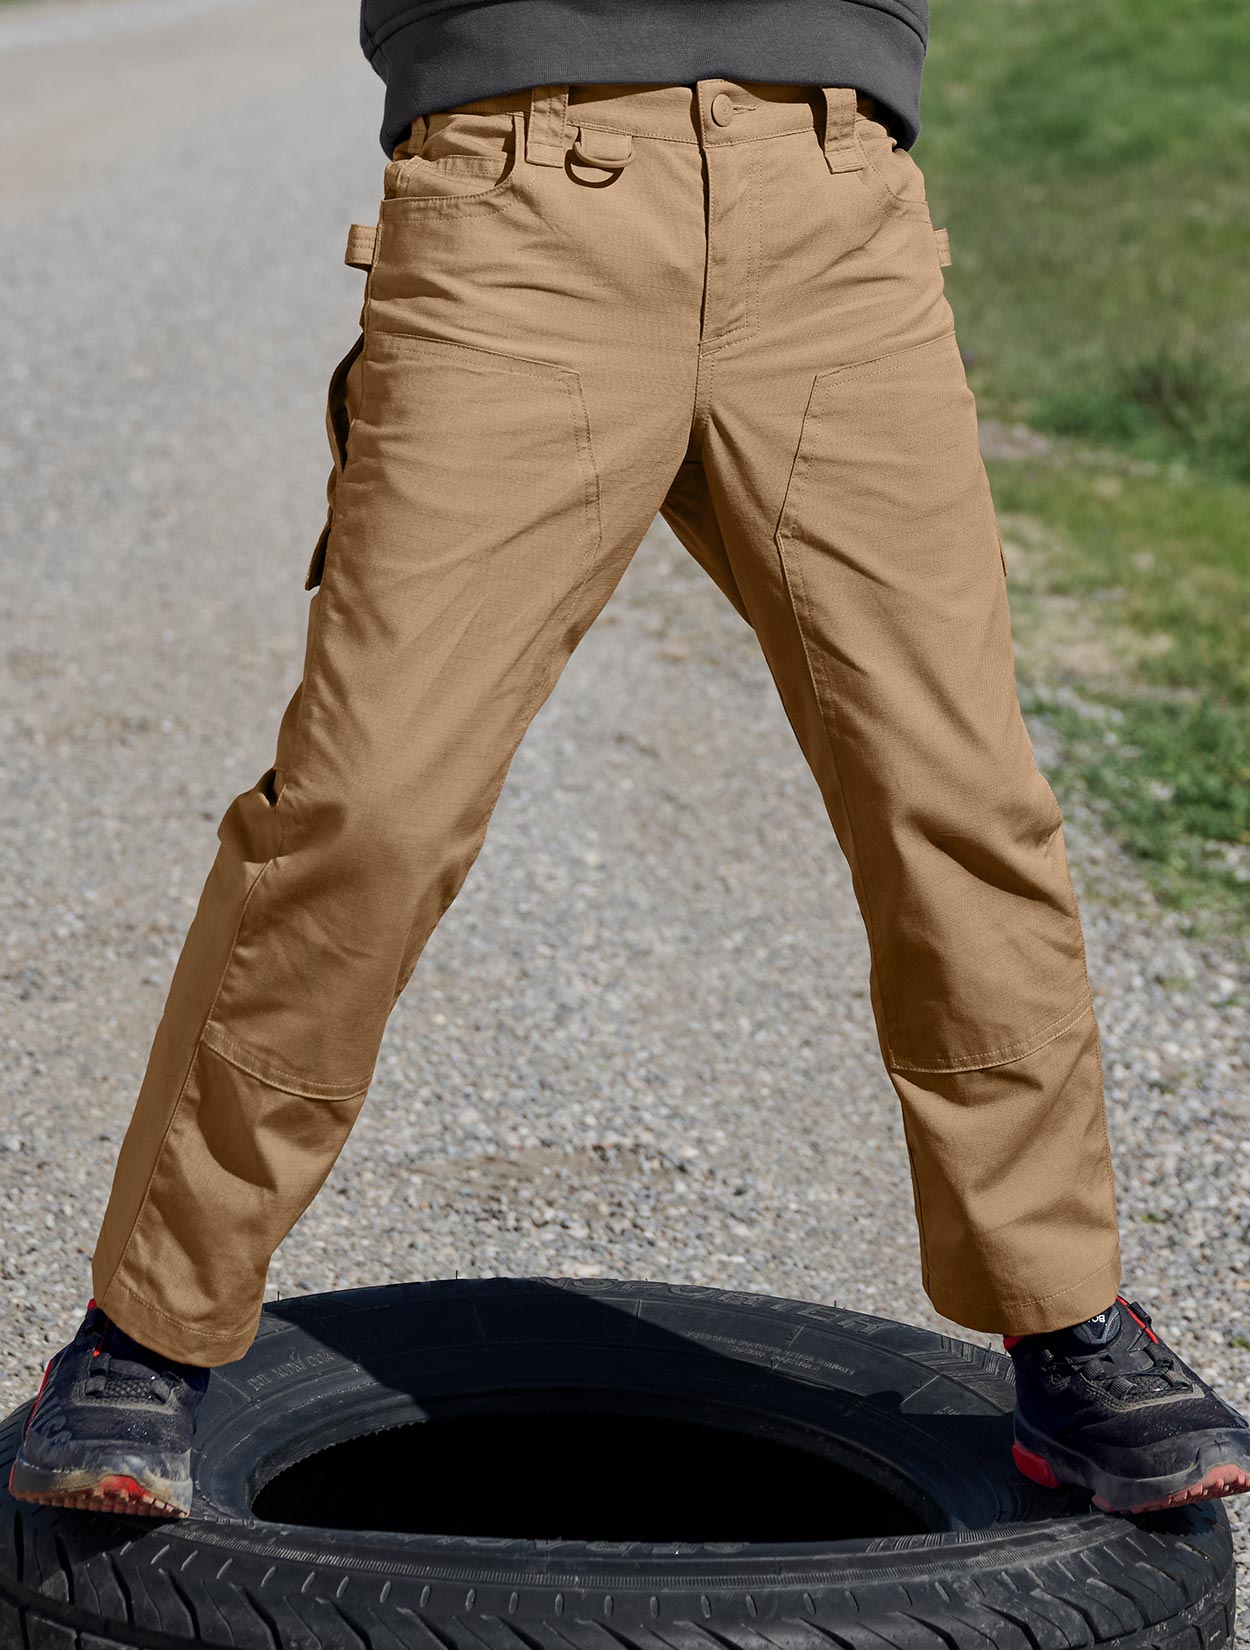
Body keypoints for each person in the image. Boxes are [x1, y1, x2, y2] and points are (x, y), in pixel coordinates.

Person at [10, 0, 1250, 1522]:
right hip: (513, 186)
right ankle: (148, 1324)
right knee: (368, 809)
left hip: (833, 195)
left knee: (956, 796)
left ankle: (1067, 1323)